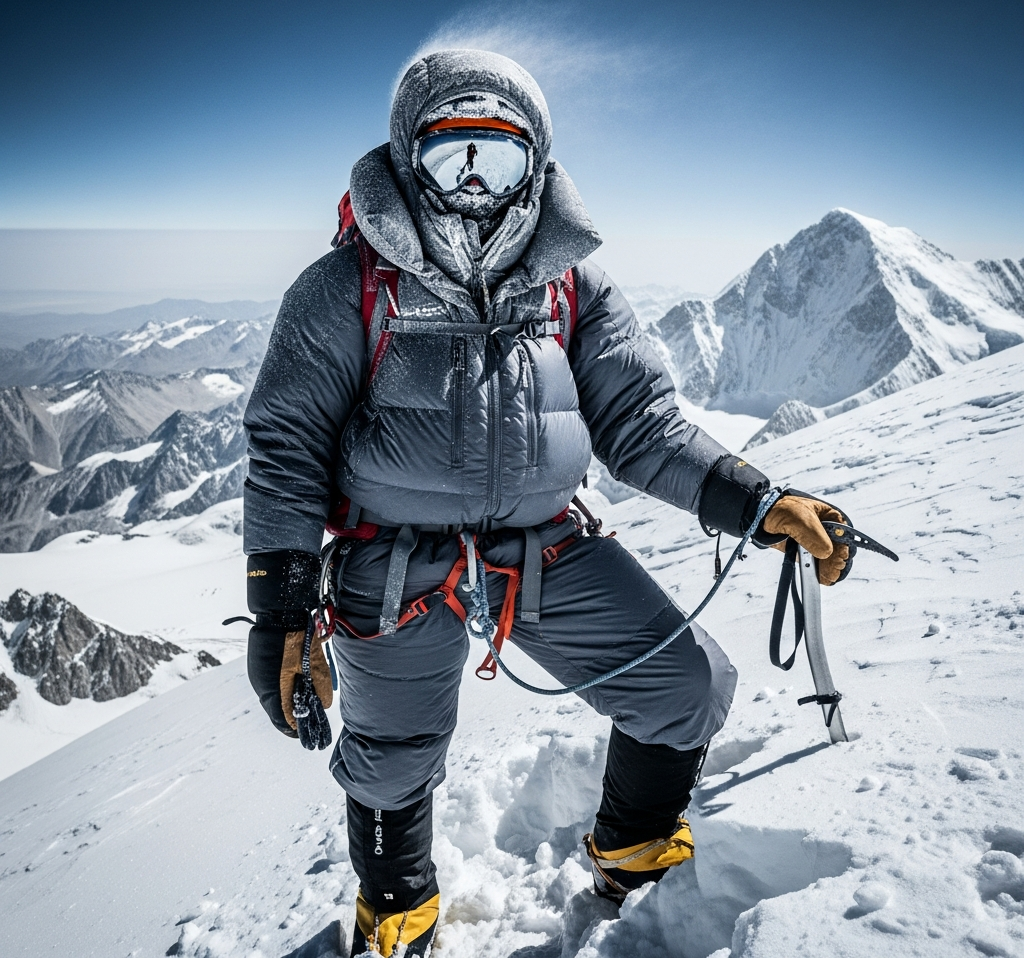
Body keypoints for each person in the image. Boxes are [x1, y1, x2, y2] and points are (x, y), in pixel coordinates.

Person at [242, 49, 849, 957]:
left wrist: (756, 501)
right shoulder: (343, 288)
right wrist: (281, 610)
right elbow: (287, 450)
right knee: (392, 759)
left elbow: (639, 423)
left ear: (537, 164)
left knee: (685, 685)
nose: (474, 186)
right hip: (392, 560)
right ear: (408, 159)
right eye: (452, 156)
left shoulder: (571, 284)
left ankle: (634, 848)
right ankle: (399, 908)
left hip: (543, 545)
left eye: (498, 157)